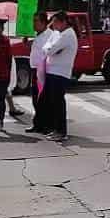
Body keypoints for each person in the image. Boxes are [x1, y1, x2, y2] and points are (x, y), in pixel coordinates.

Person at [41, 11, 77, 142]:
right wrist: (50, 50)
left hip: (60, 73)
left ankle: (61, 131)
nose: (53, 25)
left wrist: (50, 50)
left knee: (58, 103)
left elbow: (49, 50)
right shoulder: (57, 33)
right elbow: (46, 47)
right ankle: (55, 128)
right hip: (52, 71)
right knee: (52, 102)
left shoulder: (68, 34)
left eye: (55, 22)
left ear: (63, 22)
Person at [25, 12, 54, 135]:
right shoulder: (39, 35)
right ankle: (38, 123)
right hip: (35, 69)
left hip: (43, 70)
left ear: (43, 23)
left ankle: (47, 124)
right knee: (36, 98)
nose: (33, 24)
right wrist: (27, 43)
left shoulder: (50, 35)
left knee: (43, 99)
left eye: (36, 21)